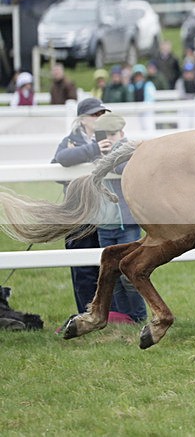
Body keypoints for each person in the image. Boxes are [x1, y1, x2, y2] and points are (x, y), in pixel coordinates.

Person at [51, 97, 132, 324]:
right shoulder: (71, 140)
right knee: (83, 269)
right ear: (82, 119)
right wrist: (94, 149)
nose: (99, 118)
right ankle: (86, 315)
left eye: (102, 114)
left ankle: (116, 315)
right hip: (81, 213)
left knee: (110, 266)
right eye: (95, 114)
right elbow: (59, 162)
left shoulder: (115, 136)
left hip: (108, 213)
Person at [93, 112, 148, 322]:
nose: (109, 139)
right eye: (104, 135)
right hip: (105, 224)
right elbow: (63, 159)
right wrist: (95, 151)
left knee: (129, 273)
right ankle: (124, 318)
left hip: (127, 223)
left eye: (113, 134)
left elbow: (124, 168)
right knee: (110, 275)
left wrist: (110, 154)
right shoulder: (93, 150)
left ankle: (139, 317)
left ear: (121, 133)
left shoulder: (128, 150)